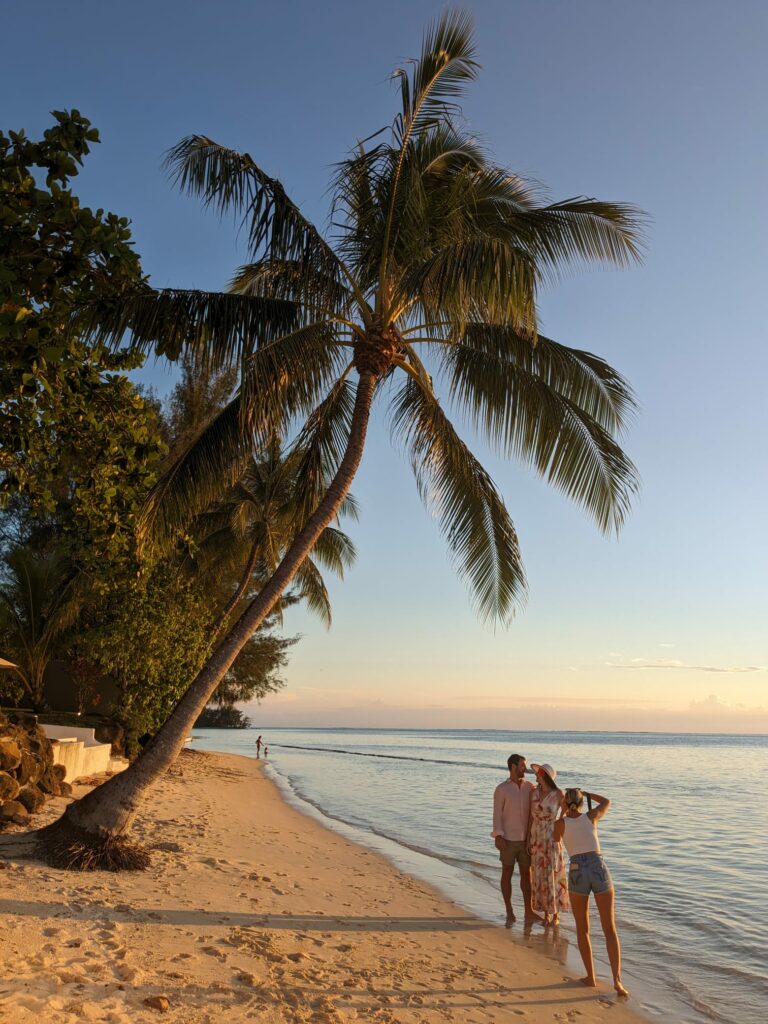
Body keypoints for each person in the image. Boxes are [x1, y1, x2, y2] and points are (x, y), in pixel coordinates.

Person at [554, 788, 628, 998]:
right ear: (580, 802)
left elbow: (554, 839)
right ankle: (617, 981)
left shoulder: (561, 823)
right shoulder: (591, 816)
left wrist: (562, 812)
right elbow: (607, 800)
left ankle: (591, 977)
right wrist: (587, 793)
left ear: (565, 804)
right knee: (609, 928)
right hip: (597, 865)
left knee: (582, 928)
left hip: (577, 869)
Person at [491, 753, 542, 925]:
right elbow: (497, 813)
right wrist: (498, 836)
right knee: (507, 873)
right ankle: (509, 910)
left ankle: (529, 911)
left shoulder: (530, 787)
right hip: (508, 839)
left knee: (526, 876)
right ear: (513, 766)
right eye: (522, 766)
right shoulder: (502, 789)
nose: (525, 769)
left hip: (526, 840)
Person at [528, 763, 568, 926]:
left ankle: (556, 914)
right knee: (539, 875)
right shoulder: (534, 793)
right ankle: (546, 914)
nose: (536, 776)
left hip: (551, 837)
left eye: (539, 773)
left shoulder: (558, 794)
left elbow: (565, 816)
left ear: (545, 775)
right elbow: (531, 818)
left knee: (553, 874)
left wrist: (561, 833)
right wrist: (528, 839)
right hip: (537, 836)